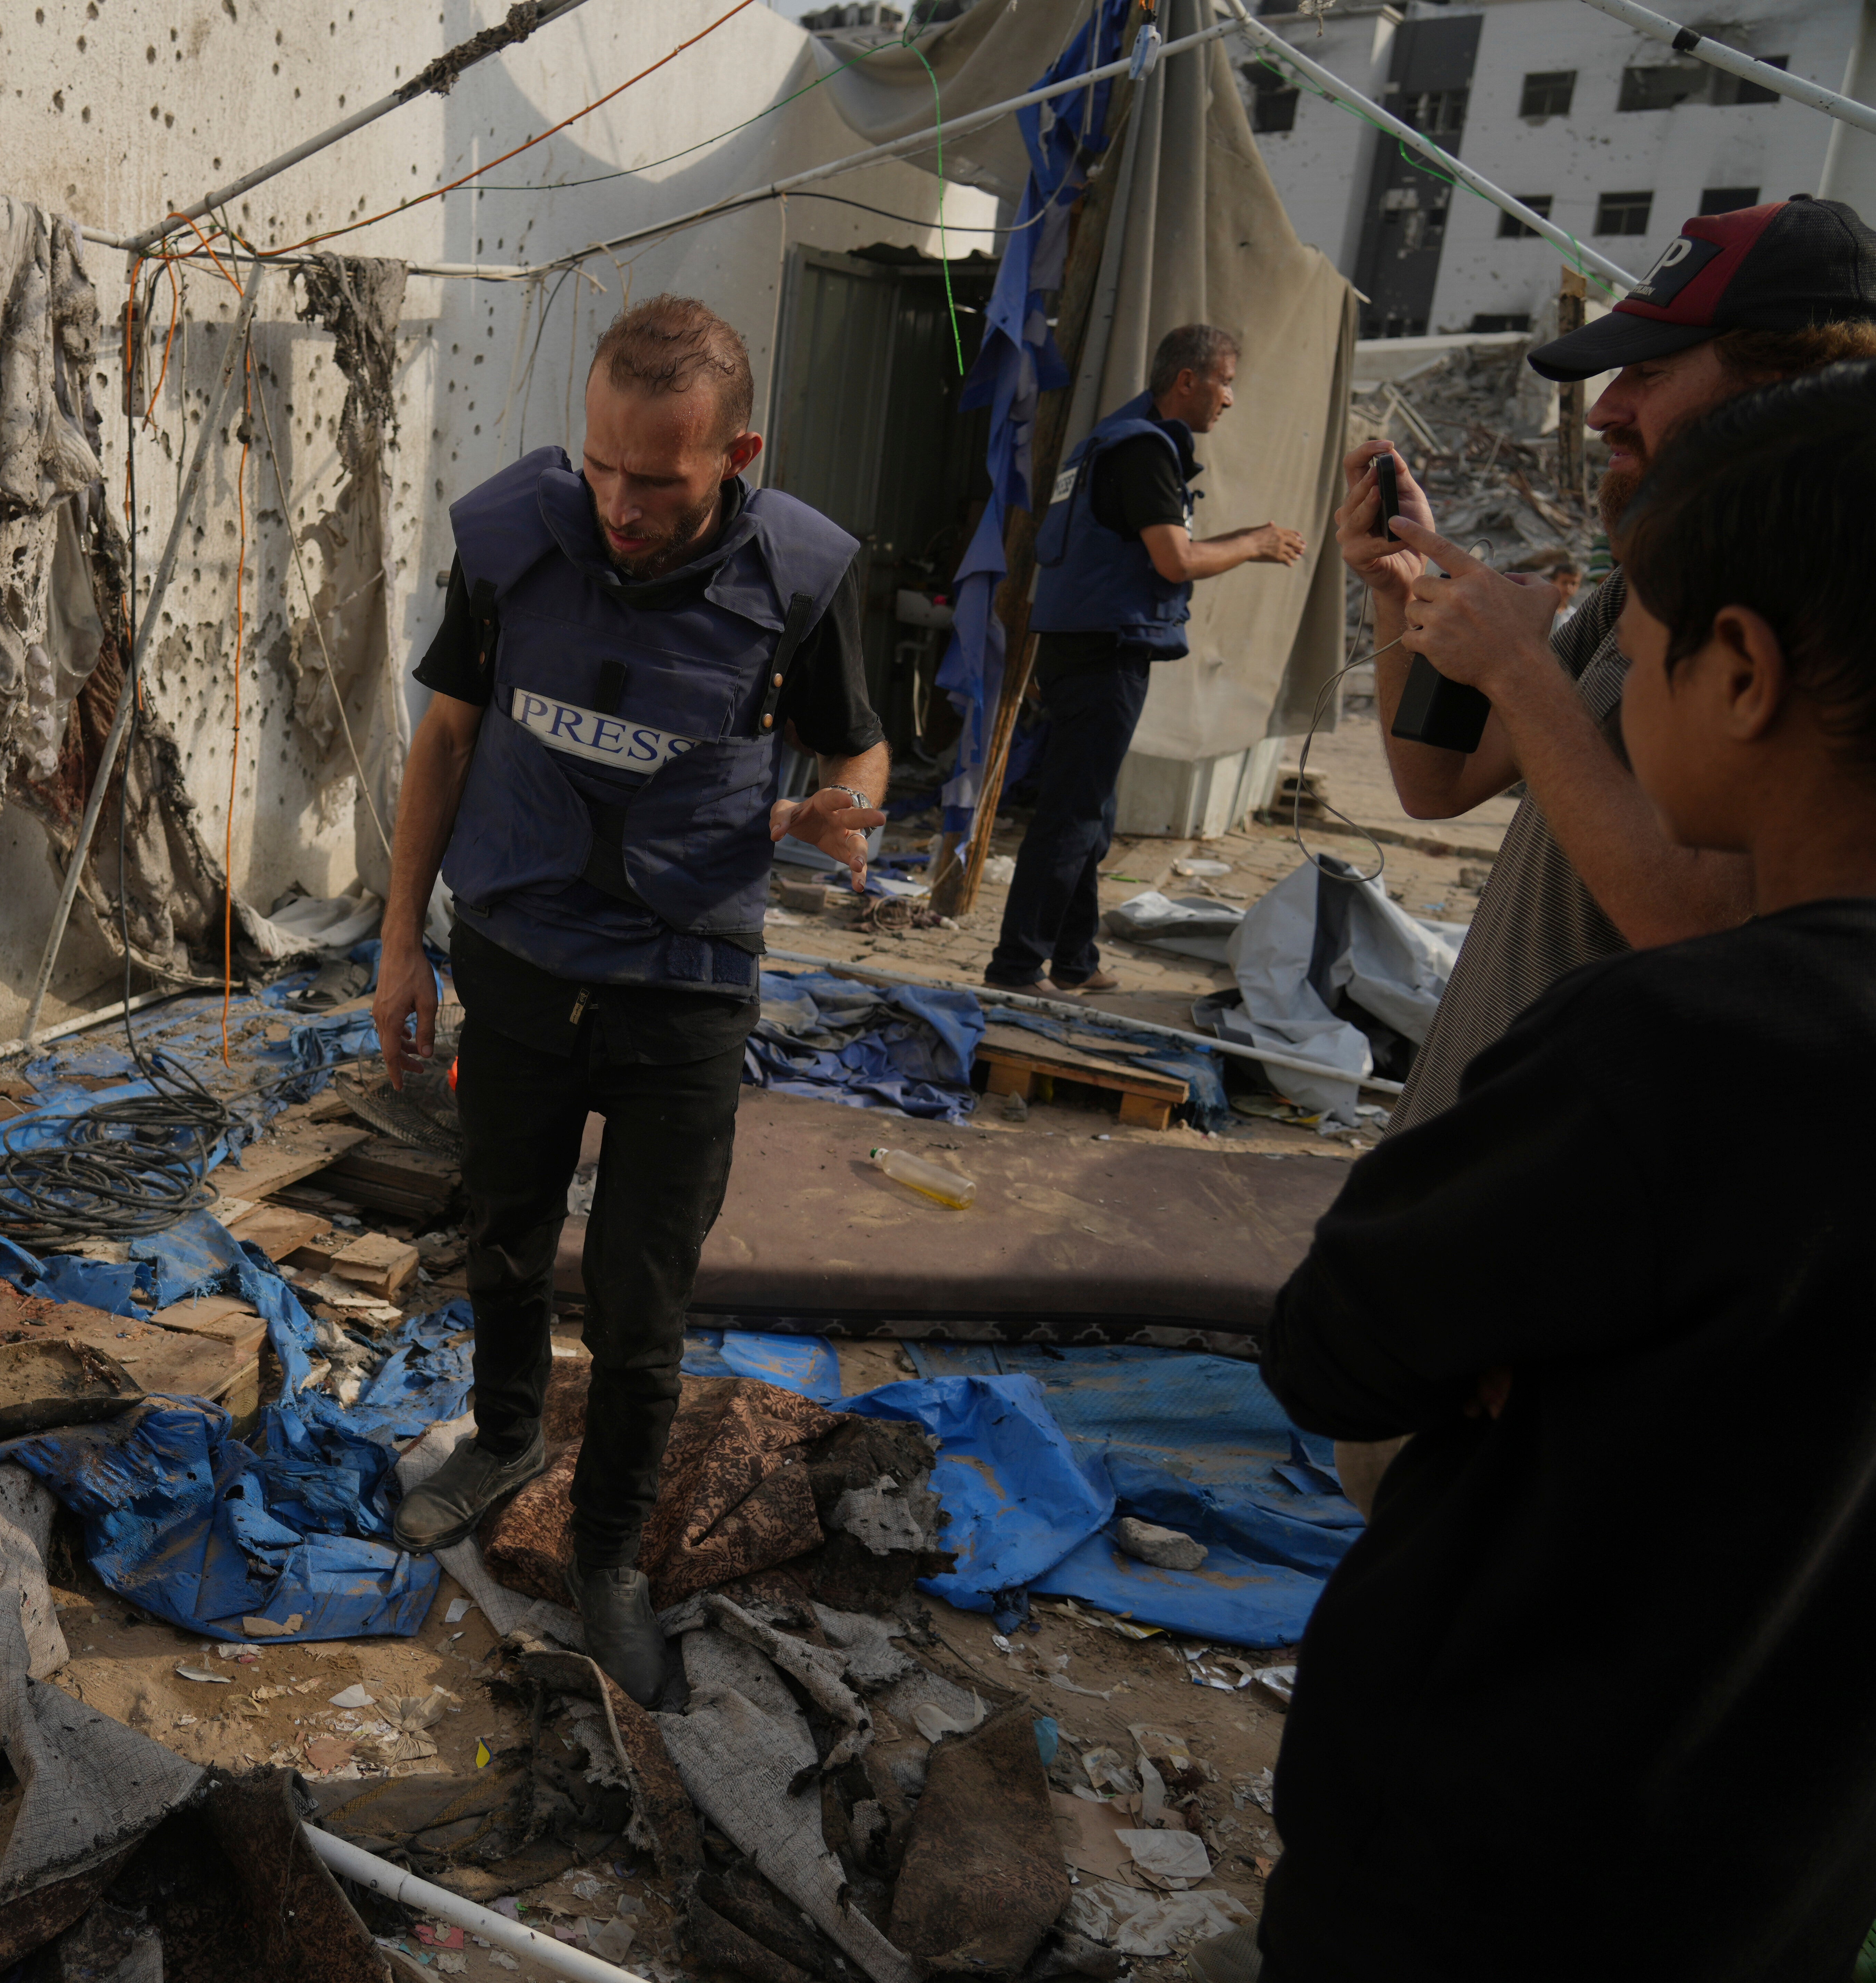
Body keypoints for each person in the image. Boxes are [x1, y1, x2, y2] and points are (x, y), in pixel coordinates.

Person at [1247, 362, 1876, 1982]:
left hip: (1483, 1874)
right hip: (1773, 1887)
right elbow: (1432, 778)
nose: (1626, 678)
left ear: (1741, 671)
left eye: (1651, 658)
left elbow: (1333, 1340)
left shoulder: (1671, 1050)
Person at [368, 296, 888, 1707]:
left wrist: (849, 818)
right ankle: (504, 1437)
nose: (618, 504)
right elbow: (449, 740)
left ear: (737, 453)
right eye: (599, 465)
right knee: (506, 1241)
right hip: (523, 958)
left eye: (655, 480)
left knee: (648, 1306)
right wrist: (401, 942)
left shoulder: (800, 580)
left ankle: (607, 1559)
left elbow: (860, 749)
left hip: (683, 992)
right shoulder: (515, 549)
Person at [1321, 195, 1876, 1518]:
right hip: (1518, 1185)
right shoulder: (1646, 579)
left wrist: (1520, 668)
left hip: (1599, 1243)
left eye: (1652, 372)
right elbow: (1434, 776)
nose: (1612, 407)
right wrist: (1407, 600)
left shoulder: (1826, 634)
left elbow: (1719, 931)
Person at [984, 323, 1306, 994]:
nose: (1230, 400)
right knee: (1072, 814)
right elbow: (1175, 559)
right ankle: (1016, 965)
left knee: (1092, 812)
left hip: (1072, 646)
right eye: (1225, 383)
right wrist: (1255, 545)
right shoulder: (1146, 452)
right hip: (1106, 655)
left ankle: (1076, 958)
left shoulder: (1108, 439)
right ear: (1187, 381)